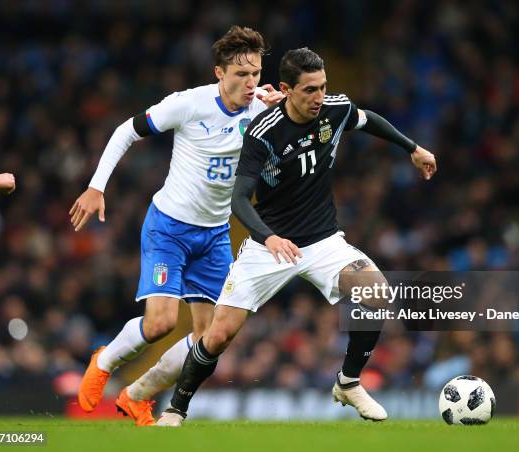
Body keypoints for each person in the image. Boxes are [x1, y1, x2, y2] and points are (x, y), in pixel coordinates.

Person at [158, 47, 437, 426]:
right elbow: (239, 199)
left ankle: (349, 382)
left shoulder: (334, 109)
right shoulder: (263, 132)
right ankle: (176, 408)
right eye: (309, 90)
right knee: (219, 334)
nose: (319, 98)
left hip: (323, 242)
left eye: (322, 87)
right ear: (287, 89)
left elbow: (366, 119)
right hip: (268, 245)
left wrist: (414, 148)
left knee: (377, 294)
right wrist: (269, 238)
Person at [70, 26, 283, 426]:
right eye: (240, 74)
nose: (250, 82)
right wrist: (96, 187)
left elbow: (301, 135)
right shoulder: (189, 104)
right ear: (219, 73)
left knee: (211, 340)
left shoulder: (263, 112)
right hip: (169, 227)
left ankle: (138, 395)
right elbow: (126, 131)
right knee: (161, 322)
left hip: (216, 233)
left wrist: (282, 110)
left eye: (255, 73)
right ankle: (106, 359)